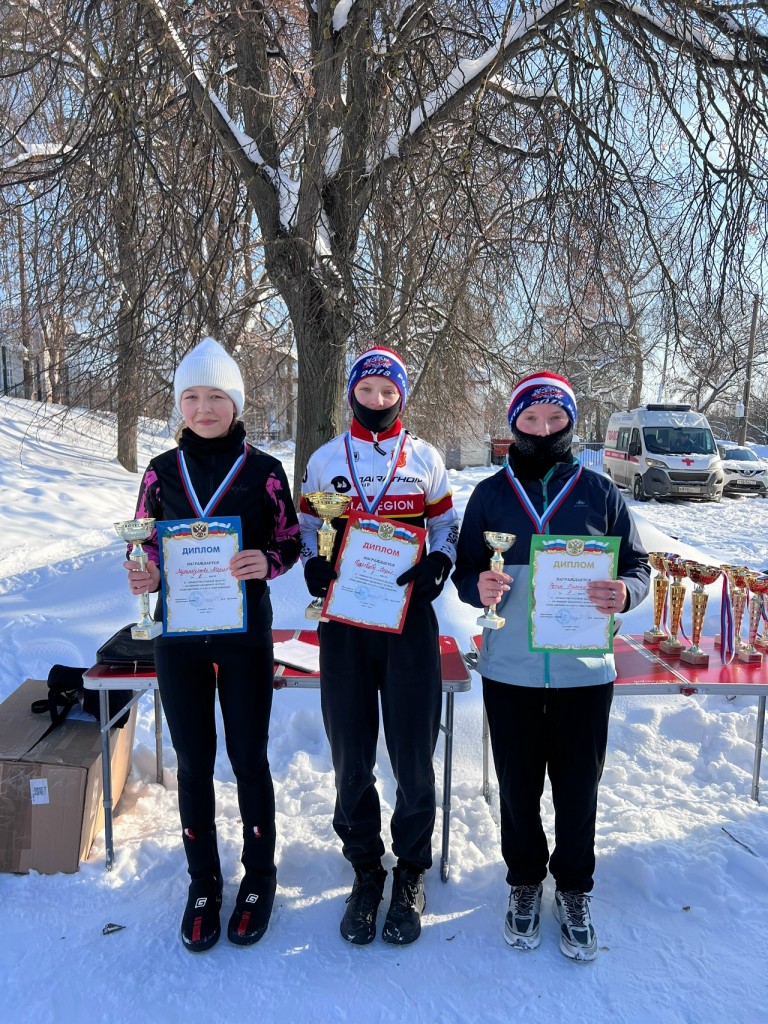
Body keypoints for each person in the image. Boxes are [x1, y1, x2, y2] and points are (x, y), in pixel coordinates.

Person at [452, 371, 649, 962]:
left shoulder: (600, 492)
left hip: (583, 671)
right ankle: (523, 881)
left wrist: (626, 592)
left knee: (578, 788)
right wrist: (477, 585)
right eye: (531, 418)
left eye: (555, 418)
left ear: (571, 422)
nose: (543, 429)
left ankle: (574, 887)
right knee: (517, 787)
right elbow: (465, 569)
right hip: (510, 669)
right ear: (514, 423)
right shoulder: (490, 494)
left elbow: (638, 566)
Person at [124, 336, 301, 953]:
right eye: (192, 397)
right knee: (194, 761)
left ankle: (260, 874)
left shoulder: (264, 471)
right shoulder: (160, 471)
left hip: (245, 636)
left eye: (216, 397)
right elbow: (144, 543)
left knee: (249, 758)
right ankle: (203, 881)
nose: (204, 408)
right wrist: (145, 573)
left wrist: (266, 561)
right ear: (180, 405)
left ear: (236, 403)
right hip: (179, 637)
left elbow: (290, 541)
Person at [299, 347, 459, 946]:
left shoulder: (425, 458)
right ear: (351, 393)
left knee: (413, 751)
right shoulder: (324, 459)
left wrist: (440, 561)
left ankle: (411, 869)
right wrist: (312, 566)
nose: (377, 399)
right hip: (344, 621)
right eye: (366, 390)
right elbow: (307, 527)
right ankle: (366, 868)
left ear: (401, 396)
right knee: (351, 750)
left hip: (407, 618)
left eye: (387, 391)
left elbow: (445, 525)